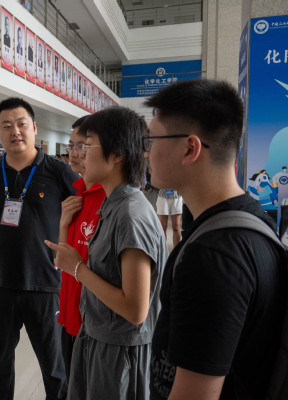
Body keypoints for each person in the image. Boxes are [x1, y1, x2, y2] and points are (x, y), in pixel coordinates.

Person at [146, 79, 287, 399]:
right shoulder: (253, 222)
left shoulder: (213, 257)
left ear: (189, 148)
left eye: (152, 140)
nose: (147, 152)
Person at [45, 107, 167, 400]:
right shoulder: (113, 206)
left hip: (119, 353)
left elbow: (136, 309)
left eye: (87, 146)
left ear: (117, 154)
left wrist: (78, 269)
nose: (79, 155)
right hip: (97, 339)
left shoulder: (130, 215)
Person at [0, 97, 77, 399]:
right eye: (6, 126)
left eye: (21, 124)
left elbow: (85, 214)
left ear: (34, 128)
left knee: (54, 366)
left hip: (46, 283)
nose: (15, 131)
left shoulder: (58, 171)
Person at [56, 116, 106, 381]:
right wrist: (63, 223)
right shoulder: (77, 196)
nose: (73, 153)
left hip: (94, 326)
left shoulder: (109, 200)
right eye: (71, 146)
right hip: (70, 315)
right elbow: (62, 259)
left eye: (82, 146)